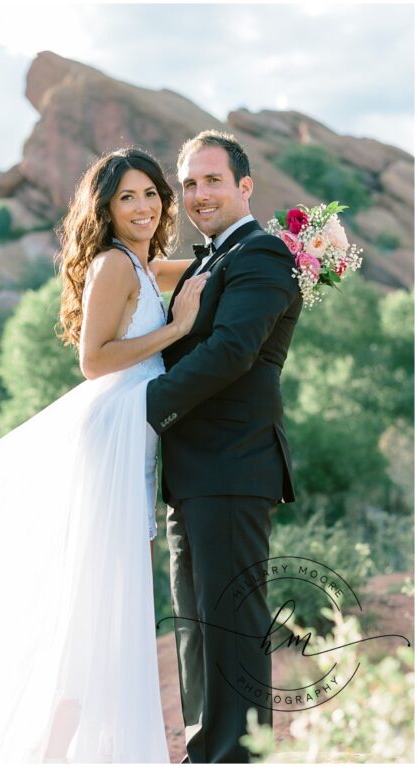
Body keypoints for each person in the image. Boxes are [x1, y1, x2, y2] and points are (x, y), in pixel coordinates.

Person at [0, 148, 208, 762]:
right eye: (127, 197)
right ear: (106, 208)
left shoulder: (144, 265)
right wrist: (177, 330)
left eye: (151, 193)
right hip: (112, 436)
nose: (143, 206)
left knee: (110, 602)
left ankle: (63, 749)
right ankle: (50, 752)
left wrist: (291, 244)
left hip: (135, 433)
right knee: (98, 603)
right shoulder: (115, 266)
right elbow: (94, 361)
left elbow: (209, 264)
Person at [146, 130, 302, 763]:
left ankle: (236, 757)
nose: (198, 193)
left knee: (231, 630)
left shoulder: (262, 254)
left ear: (245, 186)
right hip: (195, 472)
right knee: (196, 628)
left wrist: (142, 410)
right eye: (188, 182)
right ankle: (204, 750)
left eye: (212, 180)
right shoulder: (213, 257)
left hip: (234, 468)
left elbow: (232, 351)